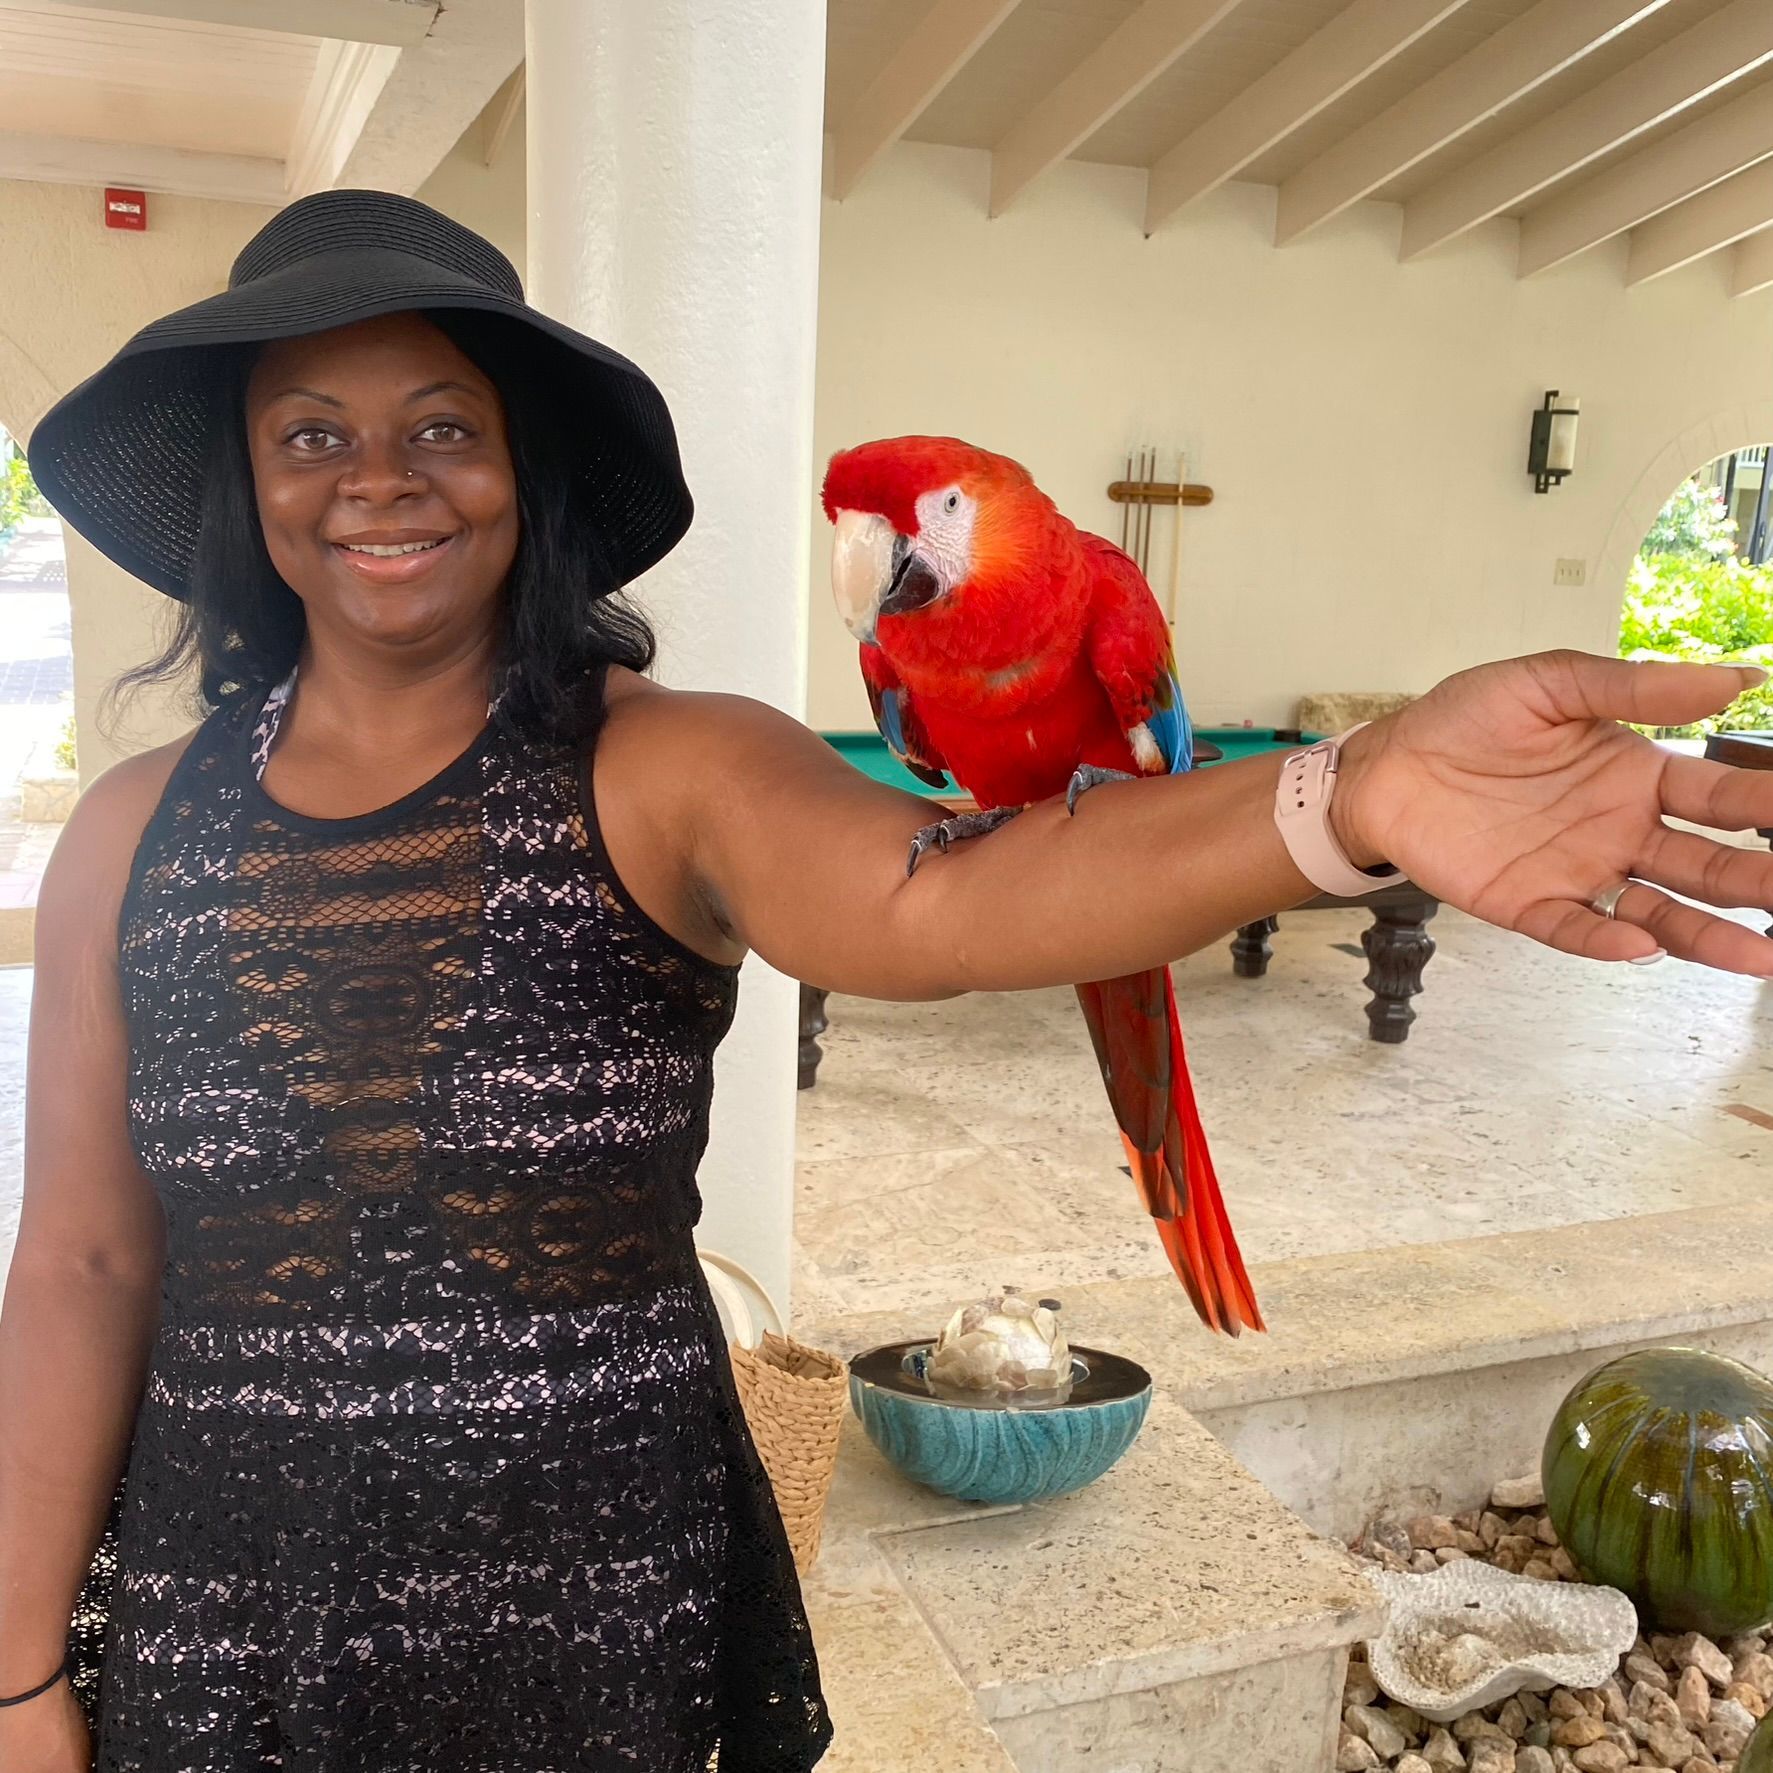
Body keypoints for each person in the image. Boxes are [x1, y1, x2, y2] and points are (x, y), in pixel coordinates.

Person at [1, 188, 1769, 1773]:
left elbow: (951, 907)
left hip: (584, 1609)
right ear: (248, 483)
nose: (376, 477)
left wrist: (1351, 793)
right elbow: (80, 1257)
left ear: (523, 471)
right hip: (226, 1600)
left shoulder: (665, 767)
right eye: (310, 431)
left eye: (440, 426)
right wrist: (15, 1674)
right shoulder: (131, 832)